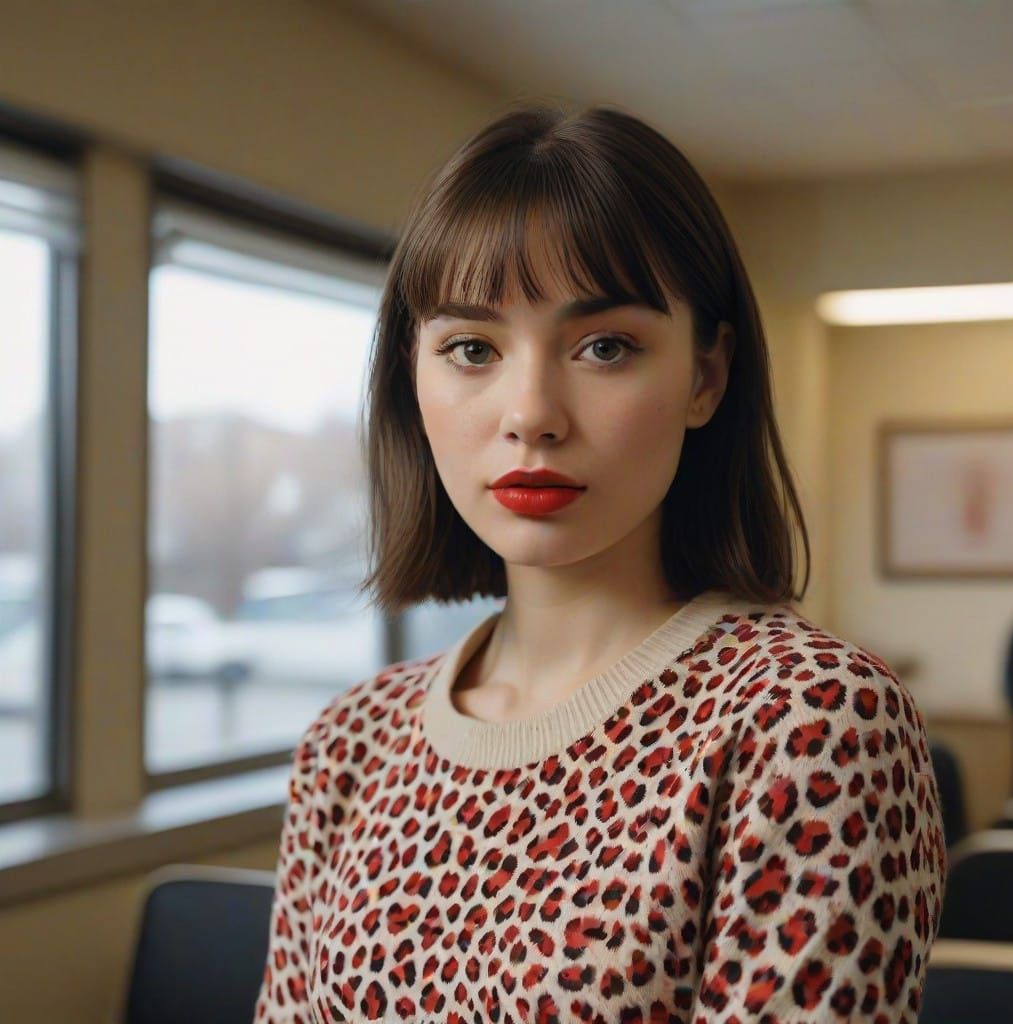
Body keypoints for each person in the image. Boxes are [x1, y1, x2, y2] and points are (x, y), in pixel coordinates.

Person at [253, 103, 947, 1023]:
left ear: (705, 377)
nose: (532, 411)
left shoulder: (807, 719)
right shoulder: (352, 744)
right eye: (471, 349)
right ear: (410, 381)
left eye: (604, 347)